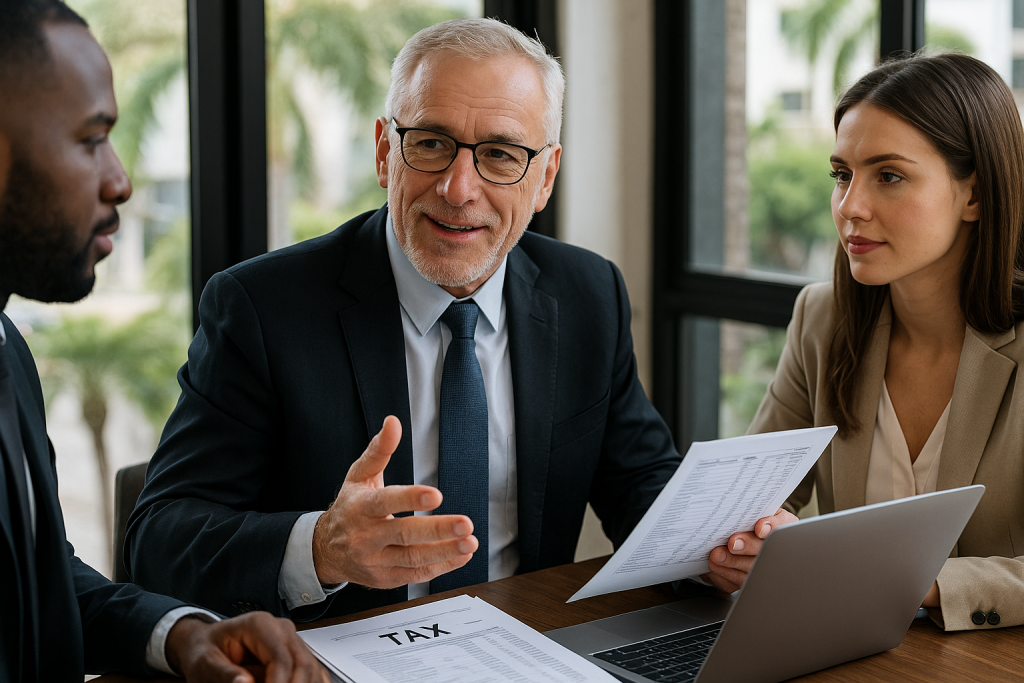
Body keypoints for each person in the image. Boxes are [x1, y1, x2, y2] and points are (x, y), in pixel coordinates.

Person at [126, 17, 681, 622]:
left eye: (499, 154)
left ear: (545, 176)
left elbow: (643, 482)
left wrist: (726, 539)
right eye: (431, 143)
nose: (457, 187)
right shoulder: (261, 308)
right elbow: (158, 540)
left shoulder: (588, 294)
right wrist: (320, 549)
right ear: (386, 151)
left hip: (524, 651)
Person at [0, 2, 329, 680]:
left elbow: (39, 581)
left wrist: (179, 633)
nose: (120, 179)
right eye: (92, 139)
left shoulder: (8, 350)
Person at [704, 52, 1024, 631]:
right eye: (842, 175)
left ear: (974, 194)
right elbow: (754, 499)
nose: (850, 207)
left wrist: (921, 582)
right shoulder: (822, 319)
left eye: (889, 176)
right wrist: (753, 540)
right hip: (847, 648)